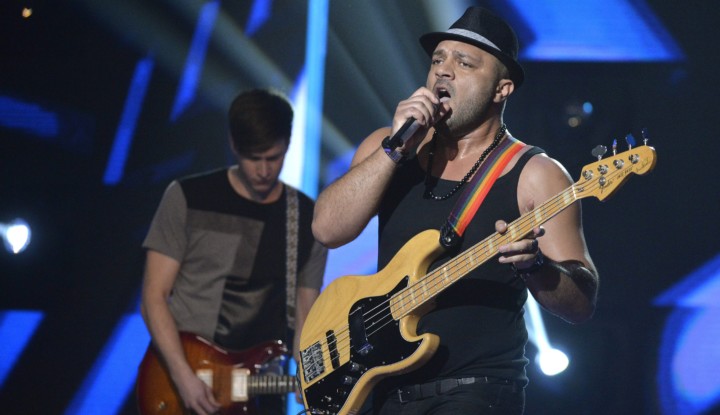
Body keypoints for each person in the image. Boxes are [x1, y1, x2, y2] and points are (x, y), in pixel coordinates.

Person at [311, 6, 598, 415]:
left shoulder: (536, 174)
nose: (443, 71)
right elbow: (326, 229)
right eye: (438, 60)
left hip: (475, 390)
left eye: (464, 63)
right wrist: (393, 150)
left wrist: (536, 267)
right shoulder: (388, 148)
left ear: (501, 89)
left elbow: (581, 304)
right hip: (385, 385)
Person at [140, 88, 327, 415]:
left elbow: (305, 313)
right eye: (254, 158)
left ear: (288, 145)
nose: (264, 170)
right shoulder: (188, 197)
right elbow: (153, 296)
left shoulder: (309, 219)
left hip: (261, 387)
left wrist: (307, 372)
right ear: (233, 145)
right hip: (183, 377)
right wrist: (182, 376)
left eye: (274, 157)